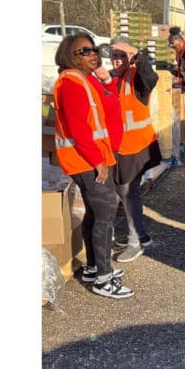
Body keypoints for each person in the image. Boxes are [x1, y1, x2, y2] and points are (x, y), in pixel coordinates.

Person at [53, 34, 134, 299]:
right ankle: (103, 277)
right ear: (69, 56)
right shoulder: (71, 83)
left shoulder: (86, 80)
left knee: (96, 212)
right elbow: (78, 128)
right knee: (106, 213)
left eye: (94, 50)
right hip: (87, 159)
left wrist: (105, 79)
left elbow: (111, 104)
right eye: (84, 51)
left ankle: (92, 267)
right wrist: (97, 161)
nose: (92, 55)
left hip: (96, 156)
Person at [107, 36, 163, 263]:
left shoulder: (137, 78)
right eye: (114, 56)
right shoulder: (111, 79)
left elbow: (151, 76)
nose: (118, 60)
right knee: (128, 192)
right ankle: (139, 234)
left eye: (122, 56)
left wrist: (137, 55)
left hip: (137, 148)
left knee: (128, 192)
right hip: (121, 148)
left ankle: (135, 242)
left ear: (130, 57)